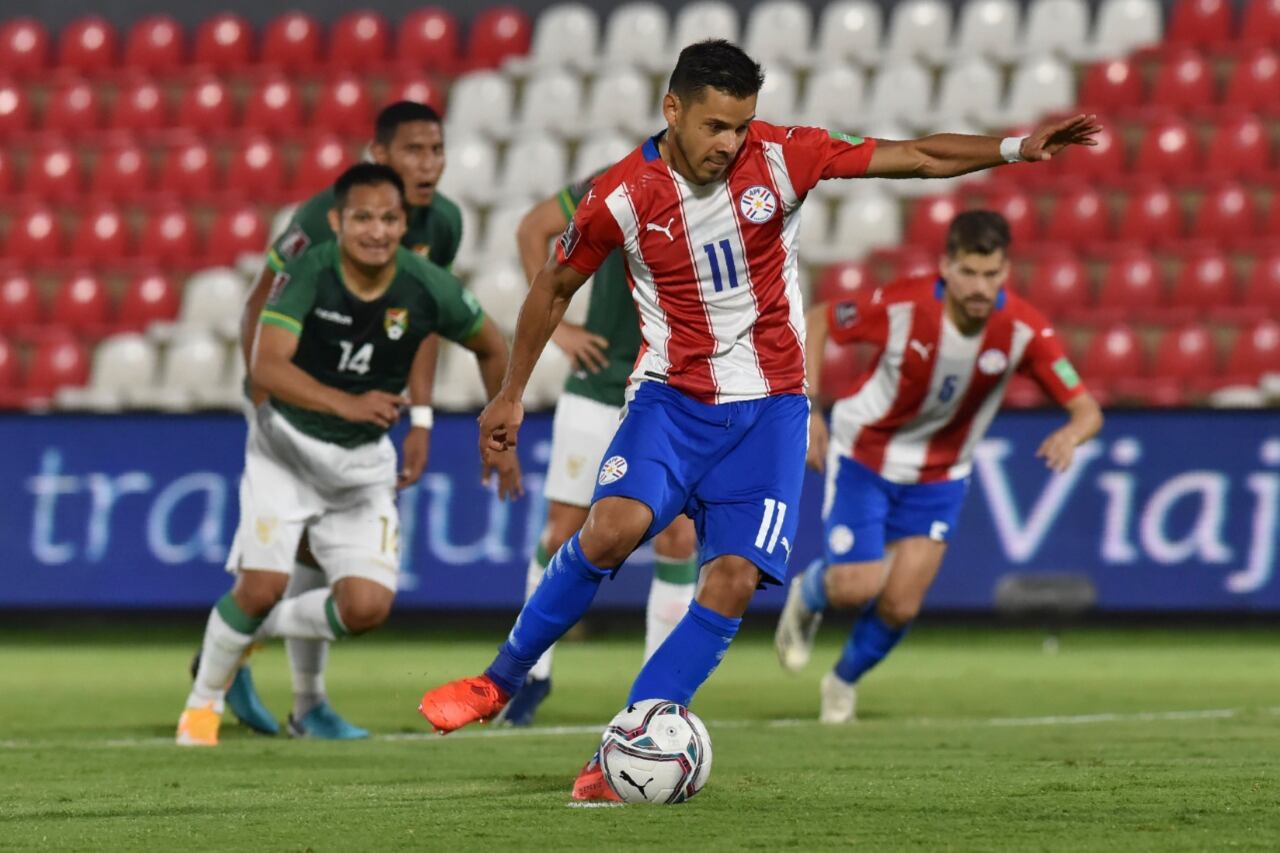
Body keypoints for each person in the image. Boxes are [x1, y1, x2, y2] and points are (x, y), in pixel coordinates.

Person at [415, 39, 1100, 801]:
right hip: (671, 399)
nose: (728, 144)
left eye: (740, 126)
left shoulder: (785, 156)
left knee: (735, 578)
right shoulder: (620, 195)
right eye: (714, 126)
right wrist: (509, 392)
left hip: (771, 411)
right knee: (610, 527)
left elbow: (916, 156)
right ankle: (498, 680)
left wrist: (1013, 148)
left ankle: (628, 744)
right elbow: (553, 286)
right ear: (671, 109)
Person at [176, 164, 519, 747]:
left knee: (365, 608)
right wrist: (347, 403)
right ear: (338, 221)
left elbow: (492, 344)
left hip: (360, 467)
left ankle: (239, 633)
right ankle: (200, 711)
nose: (377, 231)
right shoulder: (309, 273)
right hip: (286, 451)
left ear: (402, 223)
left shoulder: (425, 284)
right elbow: (267, 364)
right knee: (260, 584)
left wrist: (499, 431)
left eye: (389, 219)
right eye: (363, 217)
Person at [774, 211, 1104, 723]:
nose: (980, 286)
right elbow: (819, 319)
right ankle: (811, 592)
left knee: (901, 605)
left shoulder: (1023, 329)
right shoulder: (903, 305)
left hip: (941, 475)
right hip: (866, 453)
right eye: (969, 272)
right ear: (946, 266)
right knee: (857, 586)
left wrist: (1070, 433)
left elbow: (1087, 410)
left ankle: (841, 681)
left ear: (1006, 271)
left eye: (991, 274)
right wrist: (810, 406)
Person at [219, 100, 463, 740]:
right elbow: (258, 301)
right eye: (413, 150)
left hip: (359, 409)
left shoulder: (443, 224)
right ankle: (285, 683)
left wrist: (425, 419)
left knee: (324, 556)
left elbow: (423, 321)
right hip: (292, 402)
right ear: (378, 157)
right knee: (299, 548)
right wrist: (263, 395)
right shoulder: (318, 218)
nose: (429, 163)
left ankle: (291, 689)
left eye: (436, 149)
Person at [498, 175, 700, 727]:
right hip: (597, 385)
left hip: (671, 395)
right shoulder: (621, 182)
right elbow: (532, 228)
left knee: (680, 536)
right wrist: (559, 329)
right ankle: (530, 675)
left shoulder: (723, 193)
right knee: (563, 529)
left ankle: (660, 697)